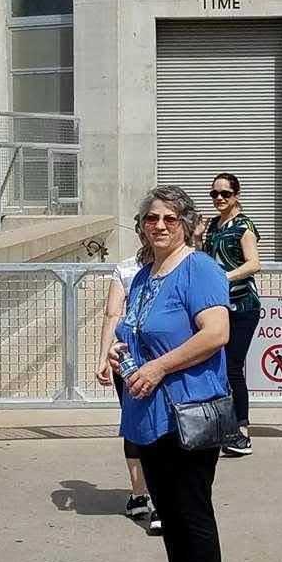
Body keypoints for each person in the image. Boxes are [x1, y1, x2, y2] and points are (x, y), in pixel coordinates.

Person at [107, 185, 230, 562]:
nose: (159, 225)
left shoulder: (200, 269)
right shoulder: (143, 276)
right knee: (169, 514)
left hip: (187, 410)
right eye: (151, 218)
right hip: (147, 411)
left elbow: (215, 334)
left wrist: (158, 367)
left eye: (169, 218)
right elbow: (137, 330)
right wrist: (122, 352)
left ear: (186, 224)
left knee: (192, 512)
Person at [96, 227, 161, 533]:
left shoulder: (127, 268)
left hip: (146, 359)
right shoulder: (128, 269)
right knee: (148, 426)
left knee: (145, 425)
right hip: (141, 360)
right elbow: (112, 314)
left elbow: (112, 315)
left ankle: (146, 496)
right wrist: (103, 357)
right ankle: (149, 497)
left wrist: (102, 357)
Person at [202, 173, 261, 456]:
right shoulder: (213, 226)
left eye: (225, 193)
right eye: (214, 194)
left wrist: (223, 278)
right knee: (214, 367)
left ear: (237, 195)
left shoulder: (243, 225)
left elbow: (253, 263)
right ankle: (220, 426)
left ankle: (242, 432)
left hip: (242, 306)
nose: (219, 198)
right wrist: (196, 234)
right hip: (217, 307)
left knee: (232, 367)